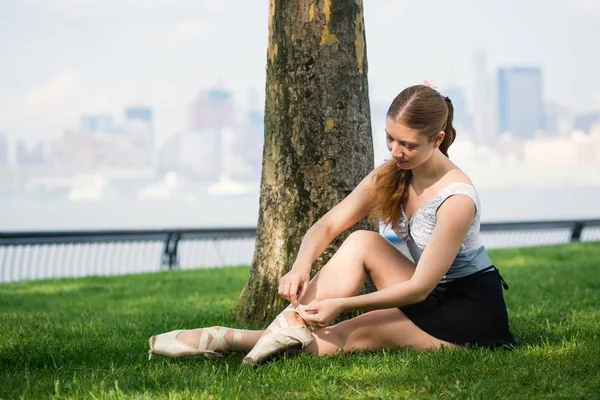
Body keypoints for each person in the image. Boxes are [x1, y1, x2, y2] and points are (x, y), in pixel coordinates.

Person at [148, 83, 516, 365]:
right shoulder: (394, 174)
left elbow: (419, 289)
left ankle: (225, 338)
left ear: (436, 140)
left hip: (467, 312)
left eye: (407, 145)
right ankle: (275, 328)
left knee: (348, 333)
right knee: (361, 241)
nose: (395, 152)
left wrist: (341, 302)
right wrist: (299, 267)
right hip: (430, 293)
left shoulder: (456, 199)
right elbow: (326, 226)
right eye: (390, 138)